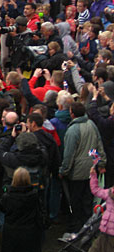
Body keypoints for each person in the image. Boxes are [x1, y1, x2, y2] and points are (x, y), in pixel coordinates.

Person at [60, 102, 105, 232]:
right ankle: (88, 227)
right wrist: (101, 163)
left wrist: (64, 170)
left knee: (75, 201)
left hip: (77, 173)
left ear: (71, 113)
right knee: (88, 200)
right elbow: (97, 146)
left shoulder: (72, 130)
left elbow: (69, 154)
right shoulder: (92, 125)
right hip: (91, 170)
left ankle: (76, 228)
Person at [0, 167, 43, 252]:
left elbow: (1, 207)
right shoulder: (34, 195)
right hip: (30, 232)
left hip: (11, 232)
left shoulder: (7, 197)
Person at [88, 165, 114, 251]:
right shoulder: (109, 193)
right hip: (104, 232)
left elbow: (96, 190)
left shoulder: (110, 193)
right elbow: (96, 190)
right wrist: (93, 176)